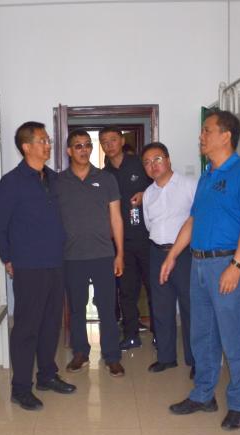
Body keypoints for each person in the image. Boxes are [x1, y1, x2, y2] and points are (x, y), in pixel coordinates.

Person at [162, 109, 240, 430]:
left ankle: (239, 403)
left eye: (207, 130)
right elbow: (193, 220)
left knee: (234, 338)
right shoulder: (207, 176)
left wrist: (237, 265)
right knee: (202, 335)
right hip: (199, 265)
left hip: (226, 263)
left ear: (225, 136)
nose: (201, 136)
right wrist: (172, 255)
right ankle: (203, 394)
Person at [0, 121, 76, 411]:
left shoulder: (53, 179)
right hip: (28, 266)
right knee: (27, 328)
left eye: (48, 140)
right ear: (26, 147)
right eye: (42, 141)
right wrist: (8, 258)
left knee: (51, 324)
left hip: (55, 263)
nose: (48, 145)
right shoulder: (12, 182)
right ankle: (21, 388)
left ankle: (47, 376)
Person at [54, 129, 126, 377]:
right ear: (69, 151)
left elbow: (116, 218)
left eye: (87, 145)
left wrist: (120, 253)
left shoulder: (106, 179)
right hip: (71, 256)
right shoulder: (58, 182)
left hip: (103, 254)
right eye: (78, 146)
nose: (84, 150)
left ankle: (112, 356)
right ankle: (80, 353)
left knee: (107, 307)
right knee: (76, 309)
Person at [141, 142, 196, 377]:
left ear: (168, 160)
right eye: (147, 163)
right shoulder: (148, 194)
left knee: (190, 307)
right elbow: (148, 225)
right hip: (156, 252)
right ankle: (166, 357)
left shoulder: (189, 185)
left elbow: (197, 220)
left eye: (157, 159)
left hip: (184, 254)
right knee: (161, 307)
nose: (152, 165)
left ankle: (195, 360)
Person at [99, 127, 154, 351]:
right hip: (121, 243)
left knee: (154, 288)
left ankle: (159, 333)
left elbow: (160, 186)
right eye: (104, 142)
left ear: (122, 141)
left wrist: (145, 194)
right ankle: (131, 334)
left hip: (147, 238)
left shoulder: (140, 164)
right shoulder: (103, 175)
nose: (109, 145)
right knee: (126, 291)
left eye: (113, 140)